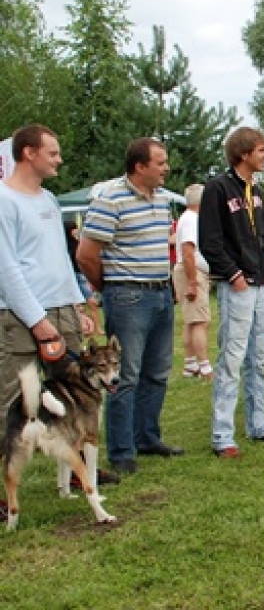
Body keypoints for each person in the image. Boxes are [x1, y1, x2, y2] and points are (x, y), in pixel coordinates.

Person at [0, 125, 109, 516]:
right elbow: (7, 269)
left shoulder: (46, 198)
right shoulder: (3, 199)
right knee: (14, 401)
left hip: (61, 309)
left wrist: (76, 305)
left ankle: (77, 473)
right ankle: (7, 491)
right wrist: (38, 321)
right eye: (53, 152)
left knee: (75, 395)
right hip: (20, 314)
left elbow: (60, 258)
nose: (59, 159)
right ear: (29, 154)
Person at [78, 137, 184, 474]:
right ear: (140, 166)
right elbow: (86, 254)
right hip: (128, 296)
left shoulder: (164, 199)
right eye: (160, 162)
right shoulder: (110, 199)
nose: (166, 168)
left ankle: (147, 437)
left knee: (157, 371)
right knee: (124, 375)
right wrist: (107, 287)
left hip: (161, 292)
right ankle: (122, 451)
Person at [198, 126, 264, 459]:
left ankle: (258, 423)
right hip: (236, 284)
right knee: (232, 359)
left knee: (260, 357)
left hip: (260, 284)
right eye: (262, 150)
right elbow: (209, 240)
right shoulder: (218, 189)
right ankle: (223, 435)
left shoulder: (257, 191)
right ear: (244, 153)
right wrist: (233, 273)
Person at [171, 184, 213, 380]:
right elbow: (188, 251)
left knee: (191, 319)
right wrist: (192, 282)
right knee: (200, 321)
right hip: (192, 272)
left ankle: (190, 364)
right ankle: (204, 365)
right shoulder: (192, 220)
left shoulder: (188, 218)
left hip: (190, 271)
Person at [64, 219, 101, 334]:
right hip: (72, 277)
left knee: (92, 303)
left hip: (81, 275)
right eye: (74, 228)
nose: (76, 230)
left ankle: (97, 327)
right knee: (76, 306)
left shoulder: (79, 243)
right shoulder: (64, 246)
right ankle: (80, 328)